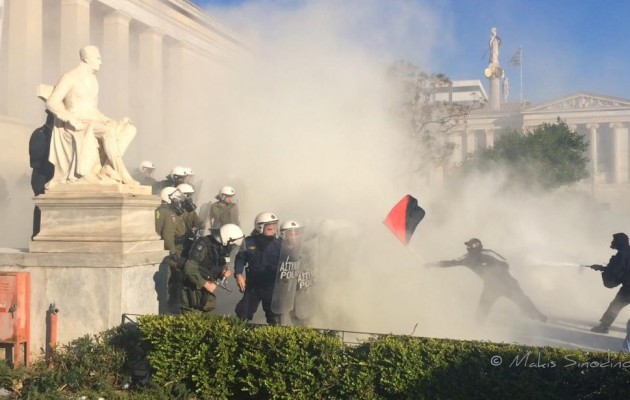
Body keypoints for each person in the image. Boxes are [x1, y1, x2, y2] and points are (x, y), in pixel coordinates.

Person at [45, 45, 137, 187]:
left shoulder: (93, 80)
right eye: (98, 58)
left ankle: (107, 167)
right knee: (108, 131)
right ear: (87, 59)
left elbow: (92, 109)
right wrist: (69, 117)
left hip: (93, 122)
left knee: (129, 129)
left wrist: (109, 120)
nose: (101, 62)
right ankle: (123, 173)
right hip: (76, 123)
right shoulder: (70, 77)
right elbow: (52, 102)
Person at [426, 238, 547, 323]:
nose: (468, 248)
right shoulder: (467, 258)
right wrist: (432, 264)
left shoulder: (487, 253)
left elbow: (505, 263)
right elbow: (451, 262)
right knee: (482, 310)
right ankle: (478, 331)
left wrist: (496, 267)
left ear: (476, 247)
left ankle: (538, 316)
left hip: (508, 283)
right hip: (491, 287)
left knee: (522, 300)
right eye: (467, 246)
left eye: (470, 246)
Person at [181, 224, 244, 316]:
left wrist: (222, 272)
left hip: (206, 293)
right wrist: (205, 284)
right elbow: (189, 268)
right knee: (189, 322)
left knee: (210, 318)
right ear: (227, 240)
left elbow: (212, 266)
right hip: (191, 290)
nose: (233, 248)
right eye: (233, 245)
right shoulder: (203, 244)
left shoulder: (220, 247)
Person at [234, 211, 283, 325]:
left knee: (275, 318)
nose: (274, 231)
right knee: (243, 315)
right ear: (260, 227)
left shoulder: (280, 244)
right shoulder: (248, 242)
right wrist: (238, 275)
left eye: (275, 228)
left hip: (271, 287)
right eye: (270, 229)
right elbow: (240, 258)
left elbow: (288, 261)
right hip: (253, 286)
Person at [589, 233, 630, 334]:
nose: (612, 243)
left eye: (614, 240)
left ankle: (604, 327)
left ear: (620, 242)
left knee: (615, 305)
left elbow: (616, 271)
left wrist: (601, 269)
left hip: (628, 288)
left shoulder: (622, 254)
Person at [155, 186, 187, 313]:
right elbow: (168, 237)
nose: (178, 201)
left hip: (160, 249)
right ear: (168, 199)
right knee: (168, 280)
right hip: (167, 252)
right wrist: (174, 254)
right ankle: (167, 309)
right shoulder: (168, 213)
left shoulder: (160, 210)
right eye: (175, 199)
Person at [29, 110, 55, 238]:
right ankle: (37, 234)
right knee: (41, 205)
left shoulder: (55, 135)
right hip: (41, 175)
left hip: (51, 174)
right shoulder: (40, 133)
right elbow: (36, 159)